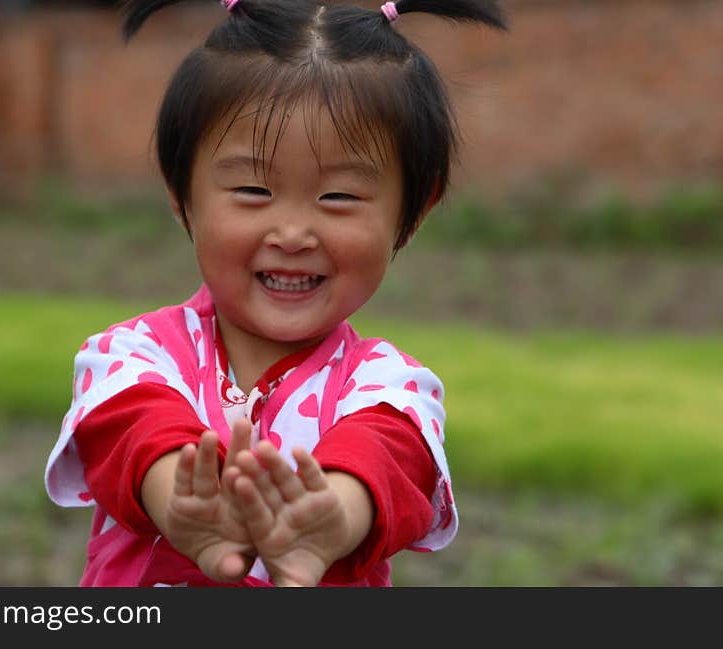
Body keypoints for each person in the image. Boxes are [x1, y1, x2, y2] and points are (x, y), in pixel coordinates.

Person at [45, 0, 506, 587]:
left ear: (415, 210)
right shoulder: (129, 355)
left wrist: (330, 518)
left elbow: (389, 452)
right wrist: (185, 503)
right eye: (253, 189)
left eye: (340, 197)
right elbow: (130, 425)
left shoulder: (393, 386)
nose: (292, 233)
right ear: (181, 191)